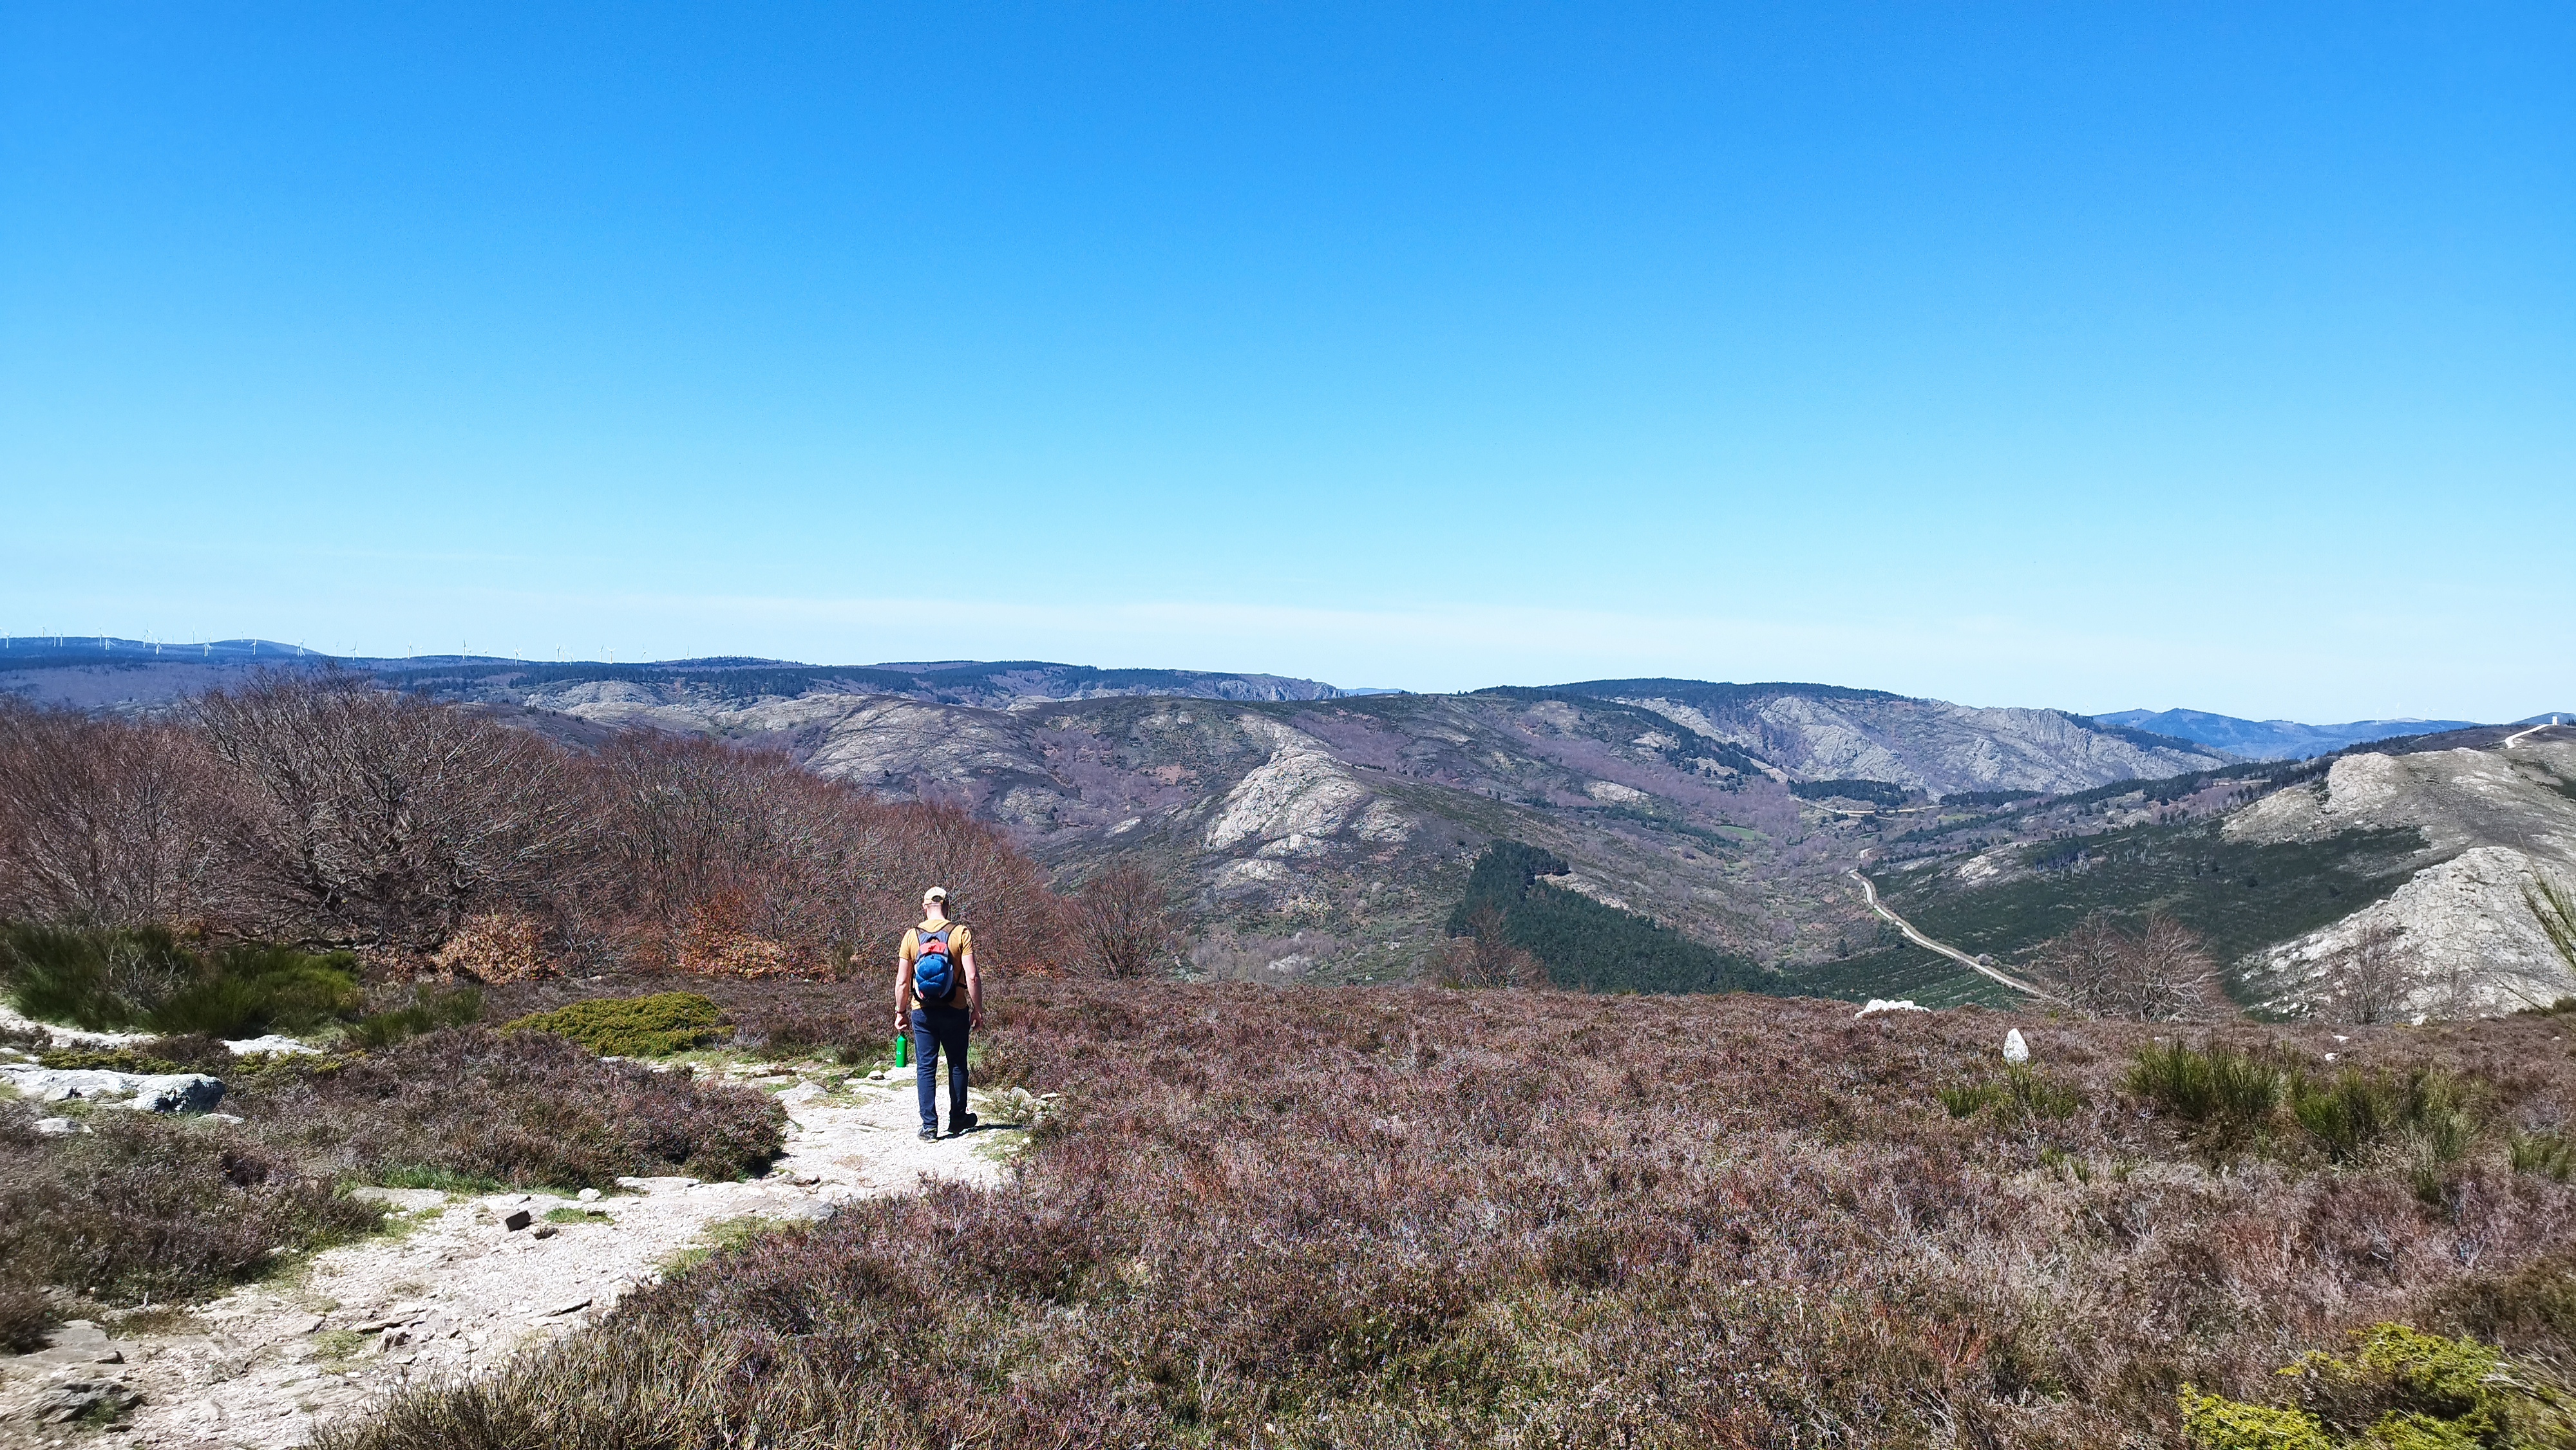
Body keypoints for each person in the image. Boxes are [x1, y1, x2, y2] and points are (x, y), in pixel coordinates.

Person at [894, 885, 981, 1141]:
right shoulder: (960, 933)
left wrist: (901, 1012)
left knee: (926, 1067)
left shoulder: (911, 936)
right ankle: (958, 1118)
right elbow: (973, 976)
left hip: (923, 1012)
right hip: (956, 1009)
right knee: (957, 1064)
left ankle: (930, 1127)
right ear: (947, 906)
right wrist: (978, 1010)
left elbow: (902, 981)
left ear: (925, 908)